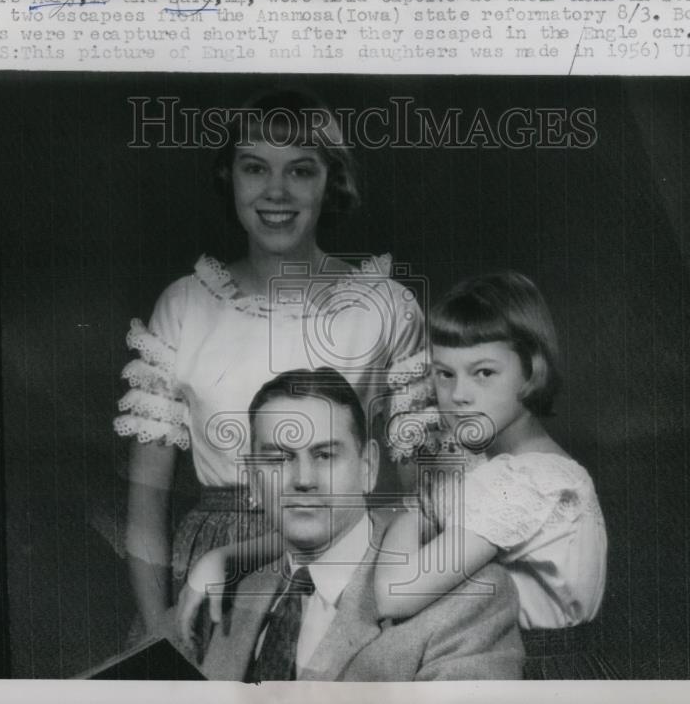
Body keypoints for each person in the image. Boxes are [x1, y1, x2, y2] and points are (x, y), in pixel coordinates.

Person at [112, 89, 425, 641]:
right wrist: (160, 630)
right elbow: (145, 506)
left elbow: (423, 495)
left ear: (332, 181)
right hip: (206, 575)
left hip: (339, 557)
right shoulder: (184, 306)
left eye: (300, 171)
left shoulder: (386, 307)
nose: (275, 192)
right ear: (229, 177)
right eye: (255, 168)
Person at [197, 368, 525, 681]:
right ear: (252, 480)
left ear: (367, 468)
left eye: (325, 455)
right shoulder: (227, 591)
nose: (303, 480)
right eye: (278, 459)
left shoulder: (467, 599)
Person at [376, 270, 617, 679]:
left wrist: (413, 512)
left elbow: (393, 594)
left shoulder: (526, 479)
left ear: (532, 370)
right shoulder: (500, 466)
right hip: (514, 662)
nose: (459, 395)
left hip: (534, 673)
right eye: (444, 373)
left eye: (484, 372)